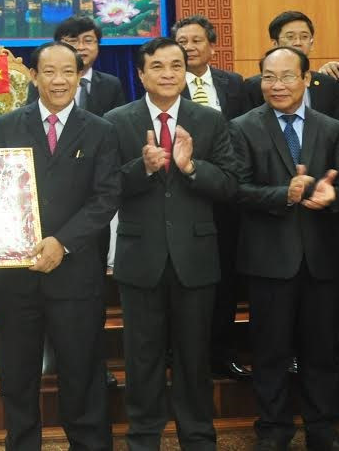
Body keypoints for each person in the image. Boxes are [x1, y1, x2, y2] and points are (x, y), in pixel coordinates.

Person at [105, 37, 238, 450]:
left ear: (186, 71)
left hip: (194, 258)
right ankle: (144, 438)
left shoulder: (210, 120)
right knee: (141, 358)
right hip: (140, 258)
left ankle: (198, 437)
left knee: (194, 357)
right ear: (141, 74)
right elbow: (105, 188)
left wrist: (191, 166)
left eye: (176, 66)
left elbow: (231, 185)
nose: (168, 74)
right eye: (158, 66)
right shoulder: (116, 121)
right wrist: (140, 168)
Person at [0, 42, 120, 450]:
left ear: (80, 76)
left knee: (82, 370)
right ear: (33, 76)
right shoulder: (8, 125)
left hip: (76, 275)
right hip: (16, 274)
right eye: (49, 71)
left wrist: (62, 242)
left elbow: (105, 198)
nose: (59, 80)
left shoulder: (100, 130)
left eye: (68, 72)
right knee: (17, 373)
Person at [231, 46, 339, 451]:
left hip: (322, 259)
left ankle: (322, 427)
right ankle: (274, 429)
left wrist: (333, 196)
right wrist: (285, 193)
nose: (276, 86)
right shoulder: (243, 127)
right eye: (267, 77)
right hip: (268, 260)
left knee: (322, 351)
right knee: (270, 351)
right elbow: (238, 190)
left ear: (305, 78)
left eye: (285, 77)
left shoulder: (331, 128)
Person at [171, 15, 250, 381]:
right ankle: (182, 354)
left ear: (212, 46)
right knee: (185, 279)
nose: (189, 47)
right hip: (185, 195)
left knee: (226, 279)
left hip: (229, 198)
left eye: (196, 40)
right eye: (182, 41)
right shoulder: (166, 85)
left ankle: (222, 351)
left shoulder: (234, 84)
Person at [243, 11, 339, 121]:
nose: (298, 42)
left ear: (311, 44)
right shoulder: (254, 86)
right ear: (275, 44)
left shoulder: (327, 83)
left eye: (304, 37)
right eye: (290, 37)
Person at [26, 15, 126, 115]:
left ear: (98, 45)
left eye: (88, 41)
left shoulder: (111, 85)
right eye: (73, 41)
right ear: (58, 45)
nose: (81, 47)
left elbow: (117, 123)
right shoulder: (42, 82)